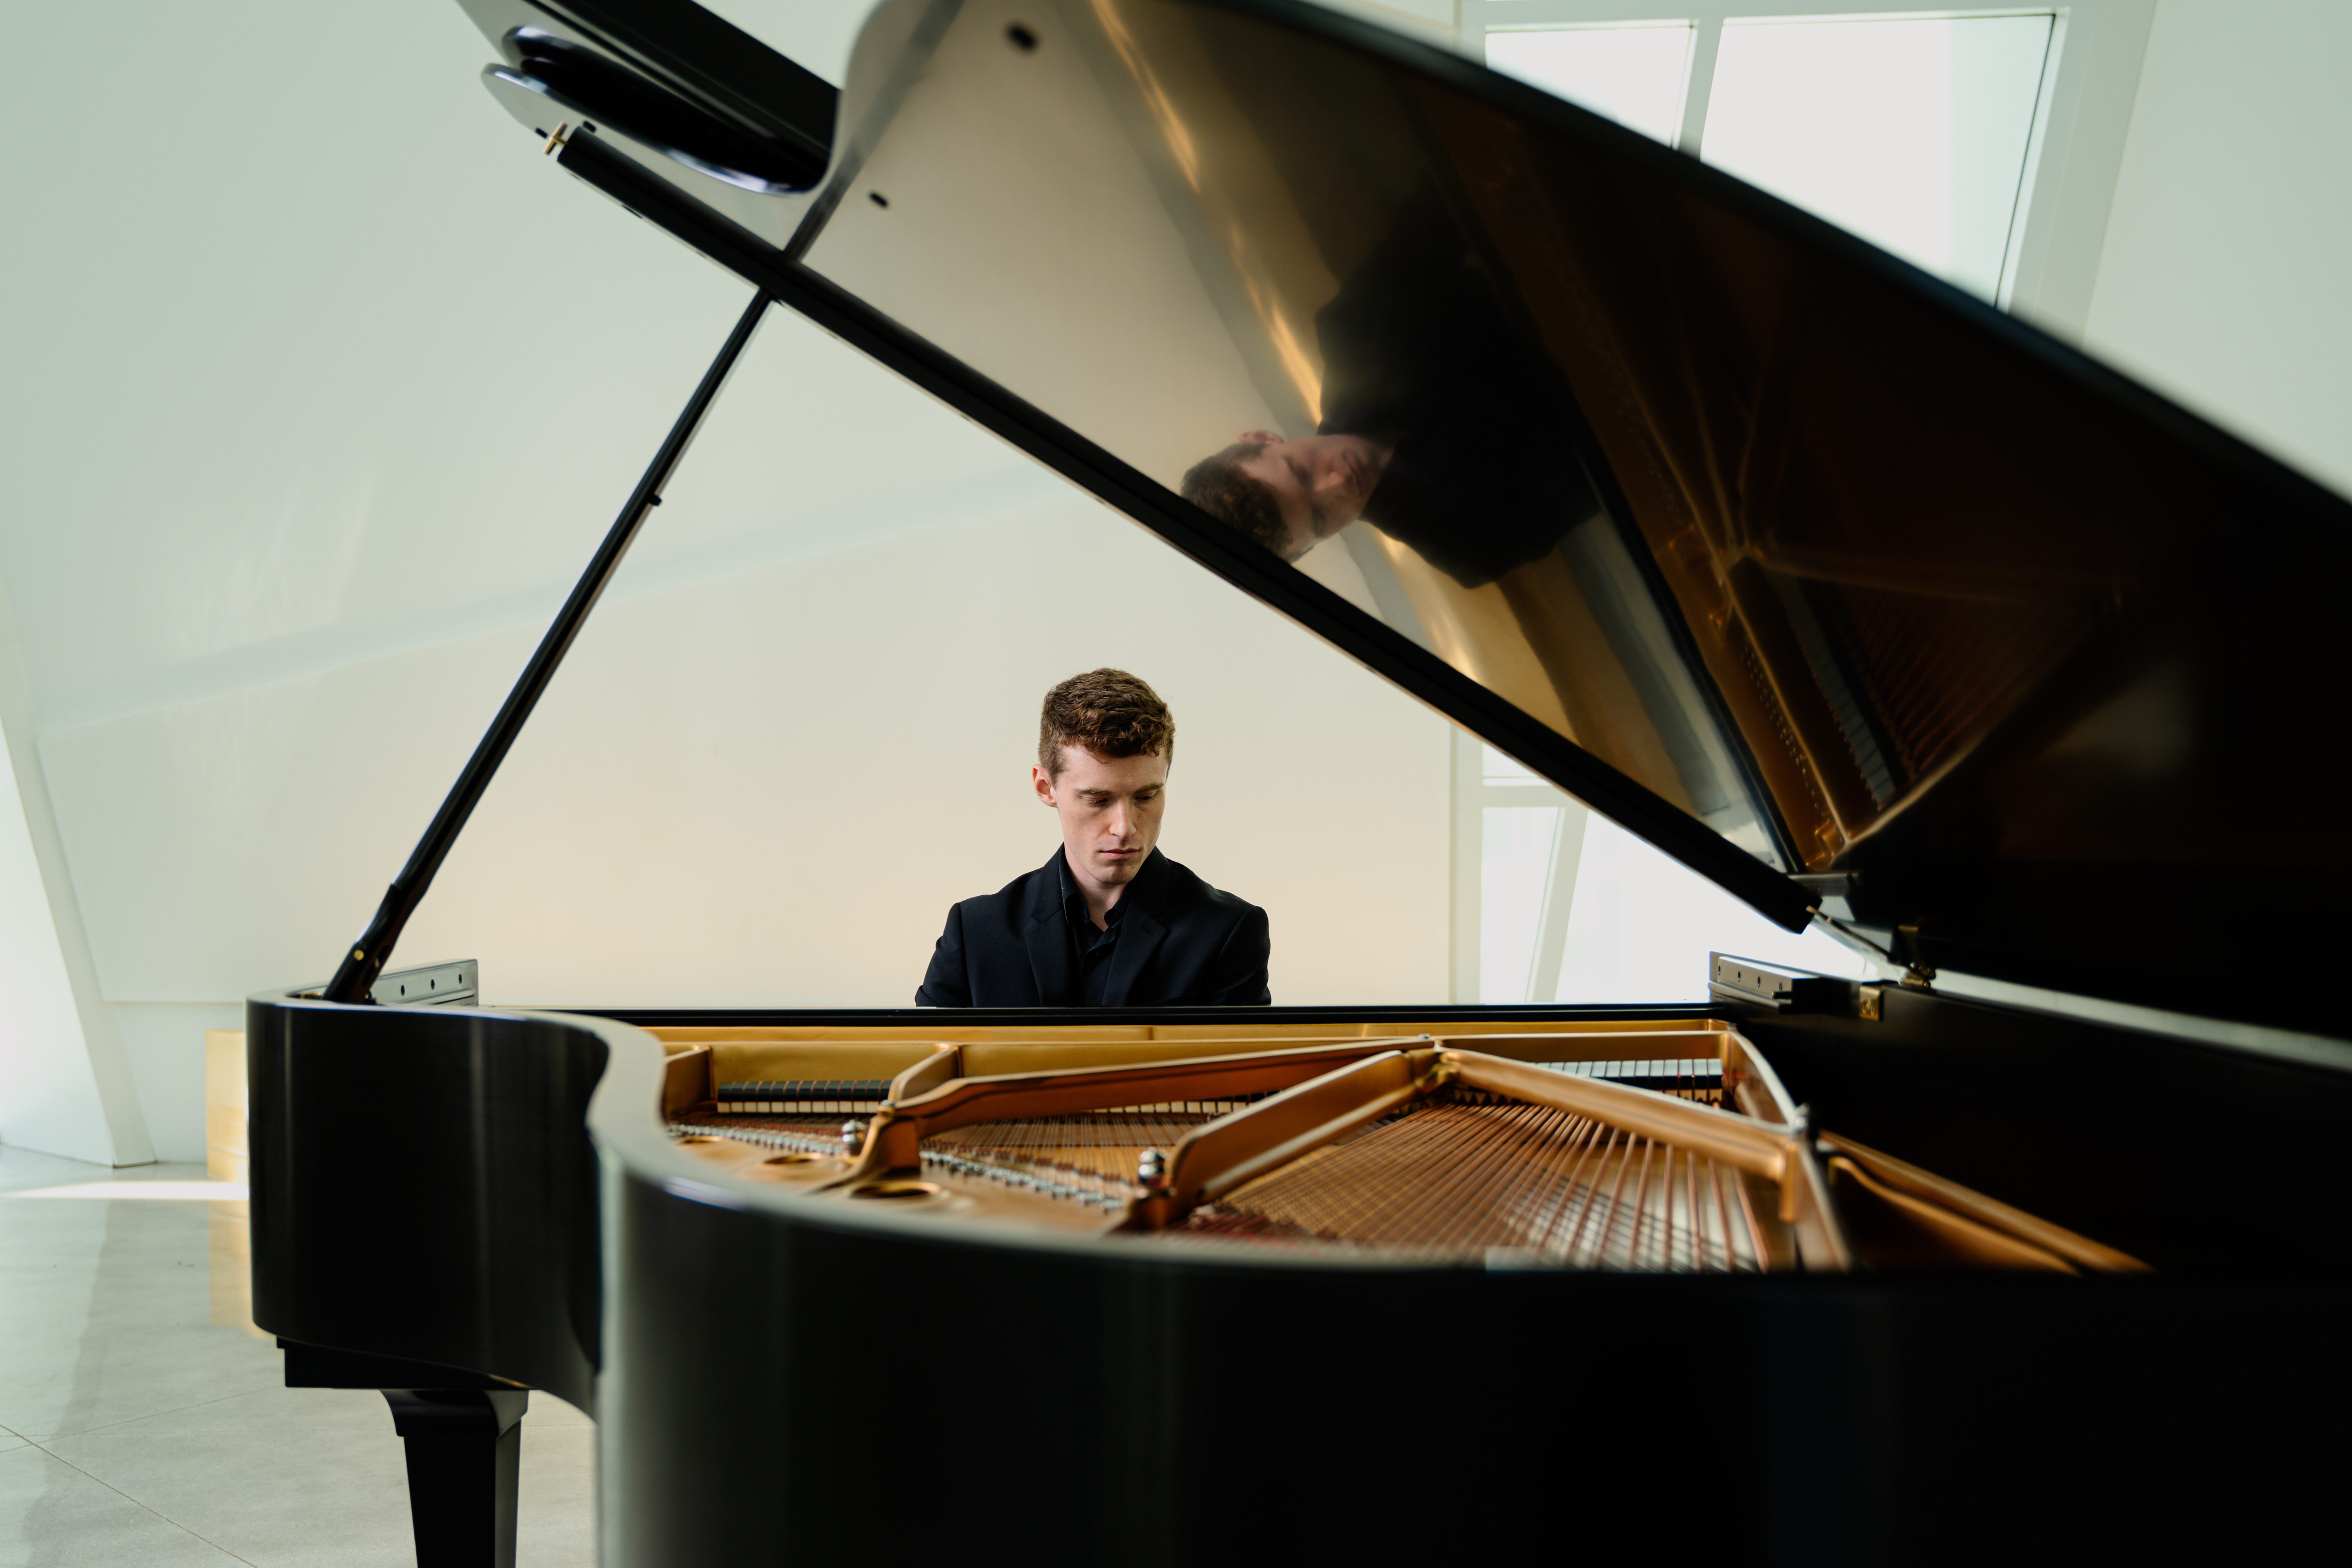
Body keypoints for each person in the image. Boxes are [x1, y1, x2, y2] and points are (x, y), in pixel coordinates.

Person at [1181, 185, 1602, 588]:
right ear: (1314, 545)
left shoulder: (1354, 330)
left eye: (1302, 472)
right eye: (1321, 520)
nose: (1339, 486)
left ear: (1262, 438)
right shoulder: (1471, 545)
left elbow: (1458, 192)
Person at [915, 669, 1271, 1007]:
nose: (1124, 828)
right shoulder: (974, 932)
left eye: (1146, 797)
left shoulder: (1229, 931)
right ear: (1045, 787)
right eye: (1098, 800)